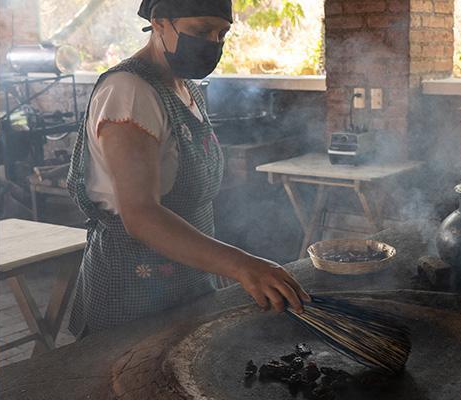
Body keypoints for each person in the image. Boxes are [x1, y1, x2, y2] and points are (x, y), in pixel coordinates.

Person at [66, 0, 309, 338]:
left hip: (188, 281)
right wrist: (241, 264)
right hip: (134, 290)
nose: (213, 42)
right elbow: (141, 215)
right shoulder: (129, 91)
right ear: (159, 22)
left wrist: (217, 264)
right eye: (200, 31)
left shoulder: (184, 86)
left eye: (222, 33)